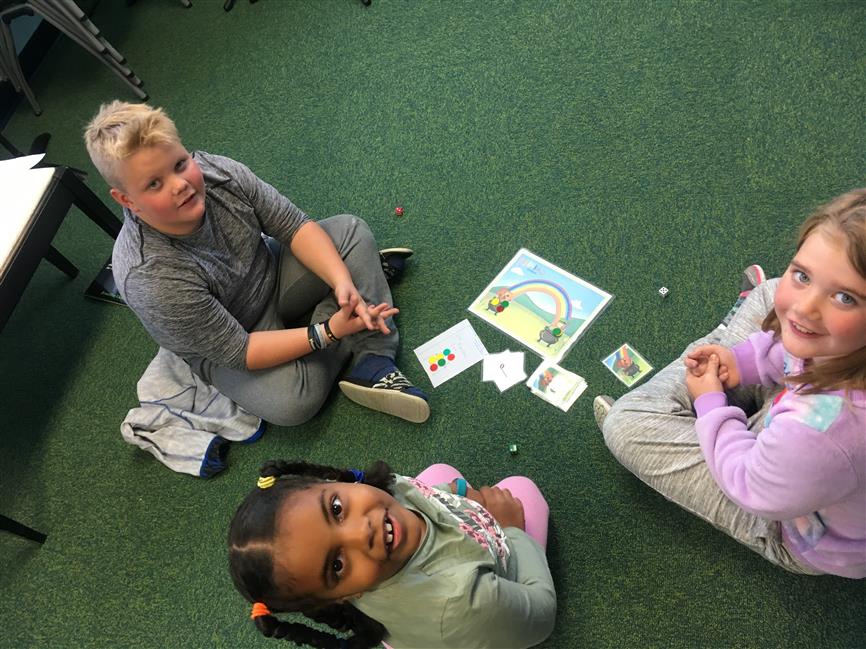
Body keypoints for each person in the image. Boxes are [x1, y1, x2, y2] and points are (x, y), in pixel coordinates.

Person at [83, 101, 429, 426]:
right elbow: (239, 351)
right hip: (235, 339)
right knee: (294, 404)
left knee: (350, 232)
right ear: (126, 199)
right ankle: (355, 299)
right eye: (155, 184)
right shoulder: (150, 277)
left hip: (271, 275)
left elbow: (294, 226)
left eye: (179, 164)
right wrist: (328, 331)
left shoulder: (219, 172)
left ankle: (372, 356)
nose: (181, 185)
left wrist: (341, 281)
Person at [594, 189, 866, 579]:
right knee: (774, 292)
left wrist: (712, 404)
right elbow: (803, 350)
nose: (805, 307)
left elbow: (749, 482)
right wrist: (742, 362)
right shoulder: (835, 343)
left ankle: (722, 335)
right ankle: (728, 342)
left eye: (844, 298)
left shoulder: (823, 435)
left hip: (788, 521)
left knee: (628, 424)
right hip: (806, 439)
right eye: (803, 275)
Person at [227, 459, 556, 648]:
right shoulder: (462, 603)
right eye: (337, 565)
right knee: (522, 489)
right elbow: (542, 614)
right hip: (457, 609)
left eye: (337, 508)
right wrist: (511, 528)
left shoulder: (383, 493)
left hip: (419, 605)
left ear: (328, 481)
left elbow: (422, 494)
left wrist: (459, 496)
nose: (362, 532)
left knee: (438, 474)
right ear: (342, 597)